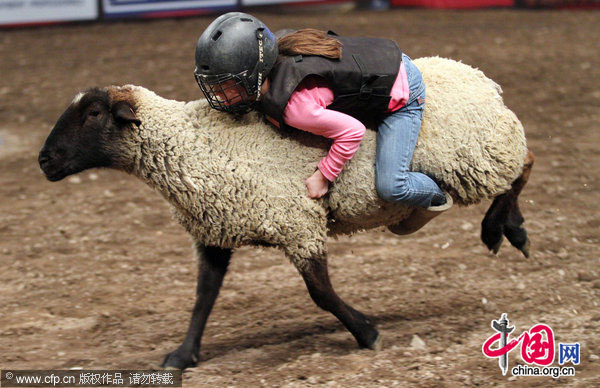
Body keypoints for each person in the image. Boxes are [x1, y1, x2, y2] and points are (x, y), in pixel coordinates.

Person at [194, 12, 450, 223]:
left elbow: (353, 132)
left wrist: (323, 176)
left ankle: (436, 195)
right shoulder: (277, 50)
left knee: (392, 186)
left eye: (224, 84)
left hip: (404, 91)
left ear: (253, 76)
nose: (216, 93)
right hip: (384, 59)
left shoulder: (296, 109)